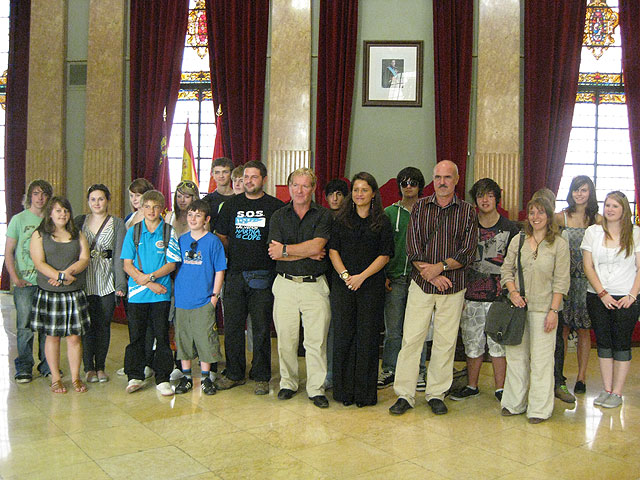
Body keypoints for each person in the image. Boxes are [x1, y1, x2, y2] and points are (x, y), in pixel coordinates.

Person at [389, 160, 477, 416]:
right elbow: (412, 246)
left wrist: (440, 268)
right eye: (437, 177)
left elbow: (468, 251)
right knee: (412, 339)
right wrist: (431, 274)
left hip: (453, 285)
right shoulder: (419, 207)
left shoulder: (467, 211)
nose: (442, 182)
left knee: (445, 342)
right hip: (422, 283)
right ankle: (404, 394)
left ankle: (436, 393)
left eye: (447, 177)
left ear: (457, 179)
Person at [214, 160, 285, 395]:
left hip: (264, 276)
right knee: (233, 327)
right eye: (246, 177)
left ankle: (261, 375)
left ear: (263, 179)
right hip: (235, 274)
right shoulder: (231, 205)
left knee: (262, 328)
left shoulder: (275, 206)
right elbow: (222, 236)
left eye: (254, 177)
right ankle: (234, 372)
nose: (249, 181)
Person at [500, 195, 570, 423]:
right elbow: (506, 270)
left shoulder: (559, 244)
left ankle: (539, 408)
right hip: (518, 309)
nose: (535, 217)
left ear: (549, 216)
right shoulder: (518, 240)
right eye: (532, 212)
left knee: (541, 361)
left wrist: (554, 311)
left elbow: (561, 281)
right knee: (516, 358)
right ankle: (514, 403)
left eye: (541, 212)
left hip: (544, 311)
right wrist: (513, 292)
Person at [268, 168, 332, 408]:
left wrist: (287, 250)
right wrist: (303, 251)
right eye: (296, 185)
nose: (300, 190)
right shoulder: (278, 216)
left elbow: (318, 246)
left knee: (316, 342)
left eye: (306, 186)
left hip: (314, 286)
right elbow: (275, 254)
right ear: (289, 186)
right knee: (286, 339)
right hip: (284, 284)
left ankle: (316, 388)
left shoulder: (324, 216)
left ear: (313, 189)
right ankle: (288, 383)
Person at [450, 178, 519, 402]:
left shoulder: (510, 228)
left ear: (497, 198)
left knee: (498, 344)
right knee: (472, 343)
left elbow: (516, 264)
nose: (485, 200)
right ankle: (472, 385)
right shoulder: (467, 226)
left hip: (499, 296)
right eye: (480, 195)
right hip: (470, 295)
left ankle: (500, 389)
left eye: (490, 195)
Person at [329, 172, 393, 407]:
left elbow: (385, 255)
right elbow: (333, 250)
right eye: (356, 190)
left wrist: (361, 277)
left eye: (364, 190)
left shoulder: (382, 220)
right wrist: (347, 276)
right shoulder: (341, 219)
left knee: (367, 338)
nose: (359, 194)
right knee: (344, 336)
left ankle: (364, 394)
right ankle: (343, 392)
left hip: (371, 285)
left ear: (373, 193)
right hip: (343, 285)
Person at [582, 191, 640, 409]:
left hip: (626, 297)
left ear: (624, 209)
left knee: (622, 344)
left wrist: (632, 295)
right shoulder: (593, 232)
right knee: (604, 343)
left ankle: (617, 392)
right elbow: (588, 266)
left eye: (615, 206)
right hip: (598, 296)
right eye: (607, 205)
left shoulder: (635, 233)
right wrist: (602, 293)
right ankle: (607, 389)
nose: (610, 209)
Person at [120, 190, 181, 396]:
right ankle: (135, 375)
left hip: (161, 294)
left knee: (162, 335)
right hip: (137, 295)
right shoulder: (133, 232)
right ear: (141, 208)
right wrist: (146, 282)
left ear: (162, 209)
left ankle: (163, 377)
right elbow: (127, 265)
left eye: (156, 207)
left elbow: (171, 264)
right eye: (147, 207)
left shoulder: (168, 232)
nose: (151, 211)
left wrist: (151, 278)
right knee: (136, 336)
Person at [29, 197, 90, 393]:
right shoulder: (39, 235)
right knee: (52, 337)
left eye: (65, 210)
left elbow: (84, 258)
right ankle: (55, 378)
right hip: (50, 293)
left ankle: (75, 377)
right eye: (58, 211)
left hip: (73, 293)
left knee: (74, 338)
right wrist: (60, 276)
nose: (62, 214)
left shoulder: (76, 233)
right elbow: (39, 263)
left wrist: (68, 275)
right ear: (50, 213)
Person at [378, 167, 430, 391]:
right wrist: (384, 274)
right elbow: (382, 246)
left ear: (420, 186)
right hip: (395, 277)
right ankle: (389, 368)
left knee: (419, 328)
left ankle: (418, 370)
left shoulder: (429, 211)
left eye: (413, 182)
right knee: (394, 329)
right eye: (404, 183)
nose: (409, 186)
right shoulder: (390, 213)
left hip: (421, 279)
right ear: (399, 186)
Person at [173, 200, 227, 396]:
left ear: (207, 219)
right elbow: (174, 267)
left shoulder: (213, 242)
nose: (193, 219)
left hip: (204, 299)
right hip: (183, 299)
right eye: (190, 215)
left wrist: (214, 296)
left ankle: (206, 378)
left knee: (206, 339)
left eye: (197, 215)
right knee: (184, 339)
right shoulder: (181, 240)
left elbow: (220, 270)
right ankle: (186, 377)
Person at [553, 176, 600, 396]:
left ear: (590, 193)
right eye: (575, 190)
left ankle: (581, 377)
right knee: (561, 329)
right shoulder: (561, 217)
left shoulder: (598, 220)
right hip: (564, 280)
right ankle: (557, 374)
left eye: (584, 190)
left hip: (588, 282)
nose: (579, 194)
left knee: (583, 330)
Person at [75, 184, 127, 383]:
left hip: (107, 279)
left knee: (104, 325)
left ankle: (101, 367)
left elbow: (119, 257)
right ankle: (88, 367)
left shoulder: (117, 223)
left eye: (101, 199)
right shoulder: (80, 221)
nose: (97, 203)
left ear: (108, 200)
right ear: (88, 201)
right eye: (93, 199)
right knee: (87, 326)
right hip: (85, 279)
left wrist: (120, 285)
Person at [5, 179, 53, 382]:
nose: (39, 198)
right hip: (24, 283)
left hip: (47, 283)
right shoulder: (19, 219)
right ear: (29, 196)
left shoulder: (52, 220)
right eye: (36, 193)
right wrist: (15, 277)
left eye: (43, 194)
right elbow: (9, 251)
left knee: (46, 326)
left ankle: (47, 365)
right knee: (24, 326)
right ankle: (24, 366)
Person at [203, 157, 234, 224]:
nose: (221, 176)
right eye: (217, 172)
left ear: (231, 174)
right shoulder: (206, 200)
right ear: (212, 174)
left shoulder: (239, 198)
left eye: (225, 172)